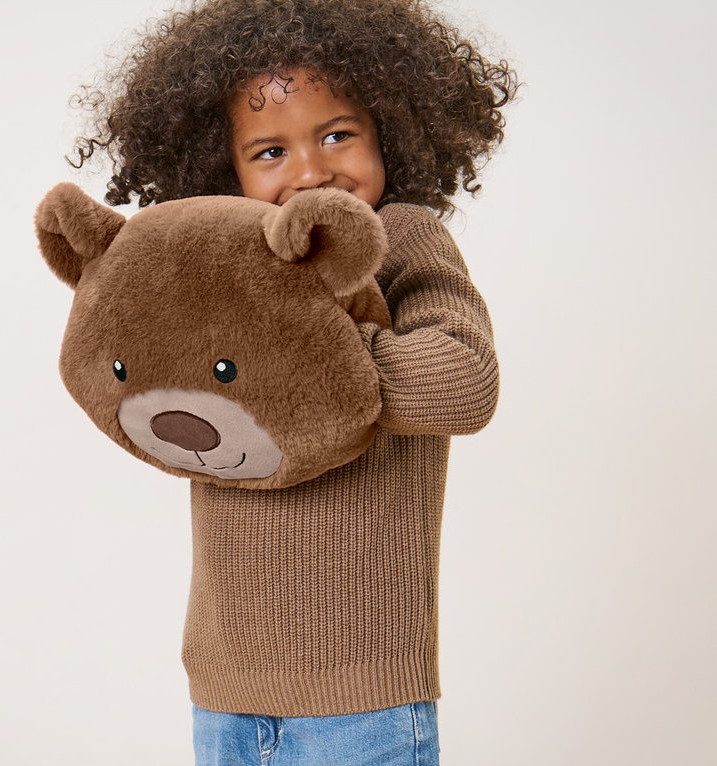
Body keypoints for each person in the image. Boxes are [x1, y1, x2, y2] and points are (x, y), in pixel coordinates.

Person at [70, 1, 519, 762]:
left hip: (364, 692)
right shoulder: (219, 265)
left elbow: (464, 381)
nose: (311, 171)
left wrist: (299, 357)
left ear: (390, 132)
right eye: (270, 151)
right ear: (225, 169)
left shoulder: (404, 239)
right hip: (224, 683)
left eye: (338, 134)